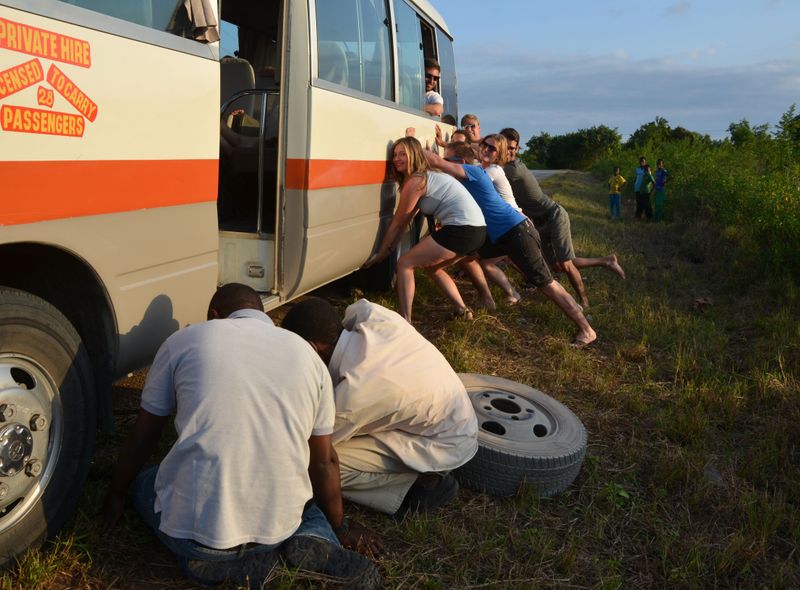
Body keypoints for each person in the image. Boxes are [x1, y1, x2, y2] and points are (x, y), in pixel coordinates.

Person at [103, 283, 381, 589]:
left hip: (200, 538)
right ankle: (314, 537)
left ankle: (209, 562)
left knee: (149, 481)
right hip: (281, 524)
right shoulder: (308, 356)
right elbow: (324, 460)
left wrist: (117, 493)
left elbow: (144, 437)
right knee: (307, 506)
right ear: (262, 314)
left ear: (214, 315)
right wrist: (339, 526)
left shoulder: (182, 341)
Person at [282, 297, 478, 518]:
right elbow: (358, 307)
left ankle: (414, 488)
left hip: (443, 444)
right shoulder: (373, 315)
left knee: (313, 462)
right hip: (451, 414)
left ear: (312, 348)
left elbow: (315, 451)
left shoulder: (355, 393)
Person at [425, 142, 598, 347]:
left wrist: (412, 143)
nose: (446, 163)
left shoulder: (473, 172)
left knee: (545, 283)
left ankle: (586, 329)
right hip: (500, 235)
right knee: (478, 259)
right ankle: (495, 297)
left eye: (449, 160)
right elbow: (436, 164)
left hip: (516, 231)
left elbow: (435, 162)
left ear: (461, 162)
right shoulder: (466, 177)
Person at [363, 136, 488, 322]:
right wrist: (389, 249)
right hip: (477, 230)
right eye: (394, 154)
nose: (396, 159)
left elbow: (397, 222)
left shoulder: (417, 180)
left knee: (405, 264)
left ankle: (406, 320)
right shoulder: (426, 177)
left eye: (402, 154)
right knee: (434, 268)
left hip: (462, 229)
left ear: (414, 155)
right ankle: (463, 311)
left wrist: (381, 253)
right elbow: (404, 222)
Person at [500, 127, 625, 307]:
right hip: (540, 222)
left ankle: (584, 302)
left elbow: (487, 172)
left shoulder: (513, 169)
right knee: (556, 266)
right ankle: (606, 261)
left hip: (554, 215)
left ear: (518, 148)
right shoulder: (504, 167)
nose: (509, 151)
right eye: (506, 147)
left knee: (566, 264)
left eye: (513, 148)